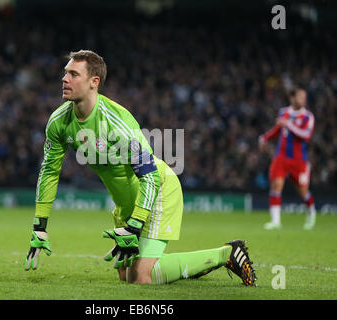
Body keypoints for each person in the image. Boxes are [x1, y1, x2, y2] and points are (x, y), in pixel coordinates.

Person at [24, 49, 256, 286]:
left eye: (73, 74)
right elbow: (49, 172)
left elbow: (150, 177)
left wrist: (134, 226)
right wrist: (39, 225)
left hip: (158, 191)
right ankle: (180, 268)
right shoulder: (58, 122)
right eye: (65, 73)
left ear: (94, 82)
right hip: (126, 204)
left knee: (142, 277)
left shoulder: (116, 122)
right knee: (127, 276)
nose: (64, 79)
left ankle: (227, 254)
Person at [259, 88, 316, 230]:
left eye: (304, 97)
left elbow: (306, 135)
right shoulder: (283, 112)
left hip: (299, 160)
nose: (303, 100)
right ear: (292, 98)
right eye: (300, 97)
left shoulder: (308, 117)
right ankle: (275, 221)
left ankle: (311, 212)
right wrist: (265, 137)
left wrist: (288, 125)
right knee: (276, 185)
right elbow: (278, 130)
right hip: (281, 157)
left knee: (303, 191)